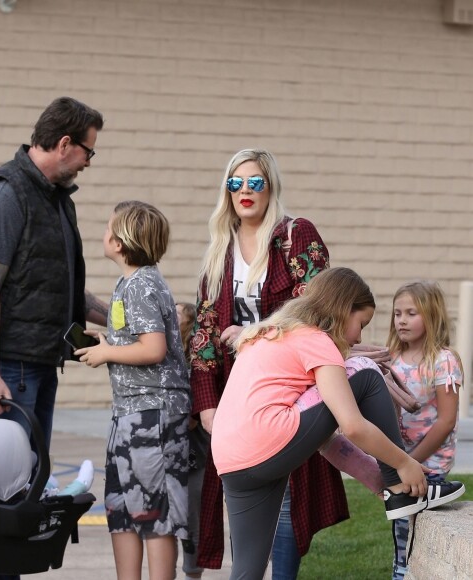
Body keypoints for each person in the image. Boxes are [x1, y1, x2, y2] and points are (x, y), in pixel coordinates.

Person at [211, 267, 465, 580]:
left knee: (247, 571)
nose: (358, 336)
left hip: (233, 461)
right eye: (361, 324)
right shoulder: (317, 340)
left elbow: (324, 439)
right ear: (344, 310)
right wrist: (403, 464)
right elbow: (353, 425)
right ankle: (400, 490)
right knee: (365, 370)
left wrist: (375, 477)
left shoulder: (275, 334)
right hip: (267, 441)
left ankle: (393, 486)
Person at [0, 96, 107, 580]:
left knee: (25, 485)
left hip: (35, 361)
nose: (88, 161)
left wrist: (123, 319)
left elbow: (61, 287)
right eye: (88, 151)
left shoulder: (55, 198)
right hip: (8, 365)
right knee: (5, 489)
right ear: (64, 144)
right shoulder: (7, 194)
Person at [188, 148, 348, 575]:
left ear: (270, 186)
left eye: (255, 182)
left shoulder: (296, 236)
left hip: (288, 385)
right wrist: (206, 404)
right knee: (244, 495)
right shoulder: (219, 250)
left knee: (287, 492)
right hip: (234, 394)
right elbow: (205, 329)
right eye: (235, 182)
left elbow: (316, 309)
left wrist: (254, 332)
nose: (245, 190)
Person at [77, 200, 191, 580]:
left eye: (109, 227)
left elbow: (153, 348)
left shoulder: (142, 284)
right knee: (122, 507)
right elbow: (139, 337)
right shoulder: (130, 283)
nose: (104, 233)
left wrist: (108, 351)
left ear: (121, 242)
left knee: (154, 511)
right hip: (129, 411)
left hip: (153, 415)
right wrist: (106, 339)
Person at [387, 281, 465, 579]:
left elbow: (446, 421)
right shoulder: (391, 356)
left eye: (411, 313)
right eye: (397, 313)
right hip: (399, 459)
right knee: (400, 525)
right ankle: (401, 570)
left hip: (428, 463)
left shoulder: (444, 361)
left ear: (431, 317)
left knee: (412, 526)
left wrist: (412, 461)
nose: (402, 320)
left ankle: (405, 572)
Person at [177, 302, 209, 580]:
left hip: (193, 455)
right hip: (171, 452)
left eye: (176, 312)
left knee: (190, 520)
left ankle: (192, 573)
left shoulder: (195, 365)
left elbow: (191, 419)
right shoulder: (169, 357)